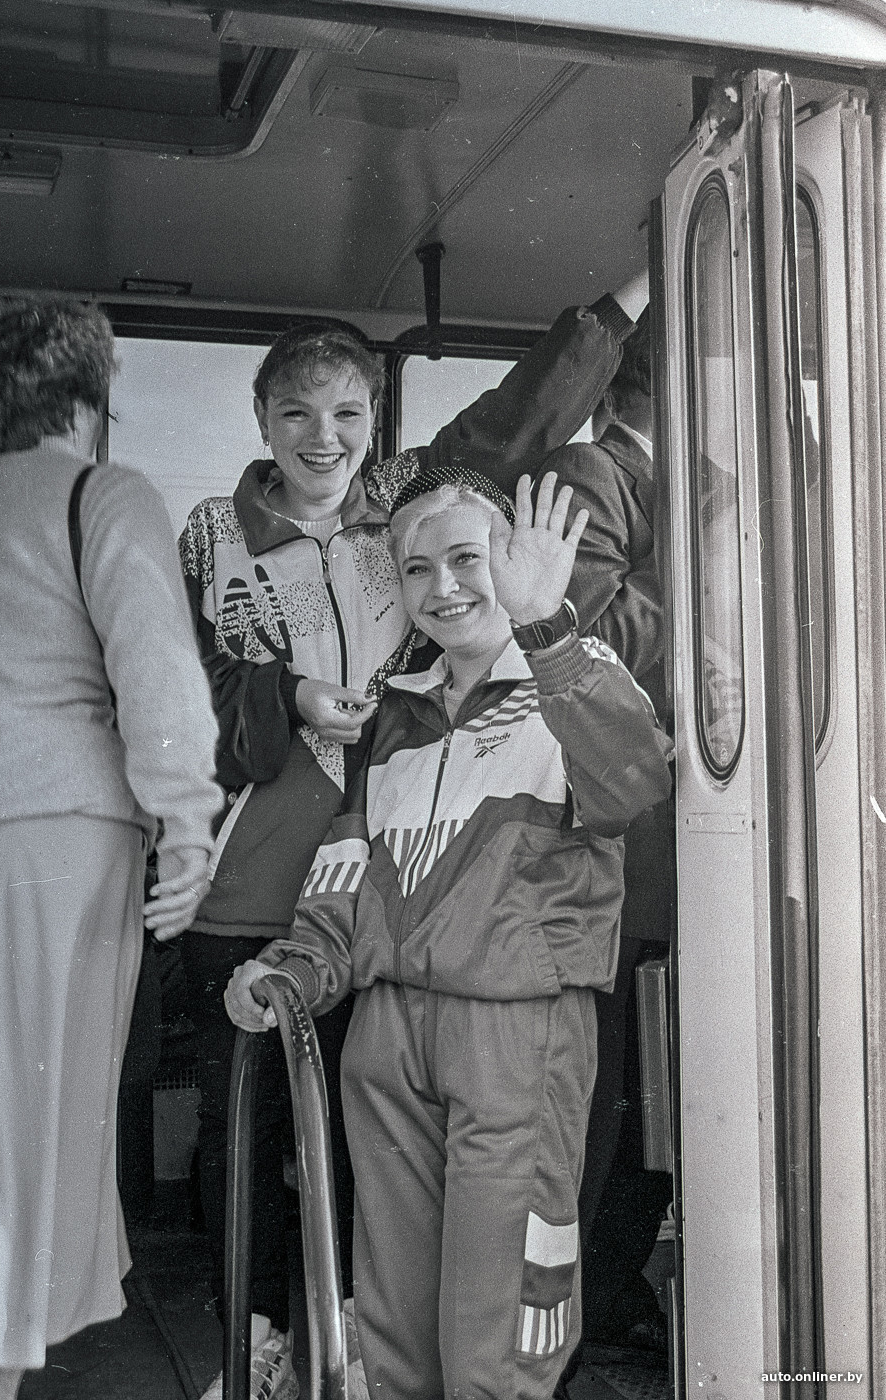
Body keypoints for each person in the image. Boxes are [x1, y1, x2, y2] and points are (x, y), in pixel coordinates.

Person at [177, 284, 647, 1399]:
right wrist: (296, 967)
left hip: (513, 1038)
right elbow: (344, 882)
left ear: (516, 561)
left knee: (498, 1335)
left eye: (469, 562)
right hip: (387, 1039)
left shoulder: (570, 679)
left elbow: (632, 781)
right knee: (387, 1328)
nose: (442, 589)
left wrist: (546, 624)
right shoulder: (394, 721)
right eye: (419, 570)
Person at [0, 298, 221, 1400]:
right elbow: (155, 669)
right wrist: (188, 823)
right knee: (44, 1099)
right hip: (61, 835)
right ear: (82, 405)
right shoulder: (102, 495)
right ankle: (5, 1357)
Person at [537, 309, 675, 1365]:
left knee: (640, 1097)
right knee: (605, 1104)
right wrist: (701, 569)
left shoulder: (666, 485)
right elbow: (593, 637)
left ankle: (609, 1289)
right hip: (626, 850)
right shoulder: (594, 473)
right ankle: (567, 1324)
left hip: (669, 850)